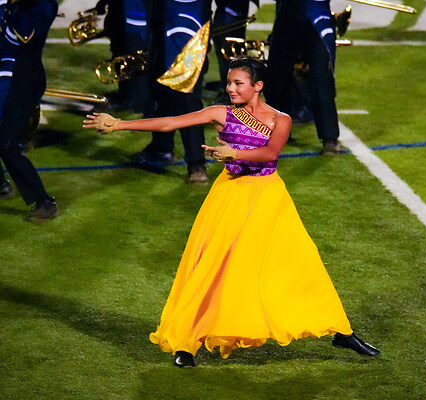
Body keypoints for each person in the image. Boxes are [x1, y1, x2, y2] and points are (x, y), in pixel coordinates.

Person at [83, 57, 380, 368]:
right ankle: (186, 343)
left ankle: (340, 331)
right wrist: (119, 124)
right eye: (228, 83)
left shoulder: (281, 120)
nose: (230, 88)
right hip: (230, 195)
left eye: (238, 83)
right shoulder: (221, 114)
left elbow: (270, 153)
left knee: (300, 264)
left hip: (269, 197)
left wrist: (233, 152)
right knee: (210, 269)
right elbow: (171, 122)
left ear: (258, 86)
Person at [128, 0, 211, 184]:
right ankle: (162, 147)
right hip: (166, 15)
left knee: (187, 92)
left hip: (188, 14)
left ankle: (196, 164)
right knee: (161, 85)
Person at [0, 0, 59, 222]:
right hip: (8, 75)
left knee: (7, 144)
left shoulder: (42, 6)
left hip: (22, 80)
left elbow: (23, 34)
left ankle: (44, 202)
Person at [265, 0, 342, 155]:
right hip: (287, 18)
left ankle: (329, 137)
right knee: (275, 79)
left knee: (322, 79)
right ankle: (279, 129)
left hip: (318, 18)